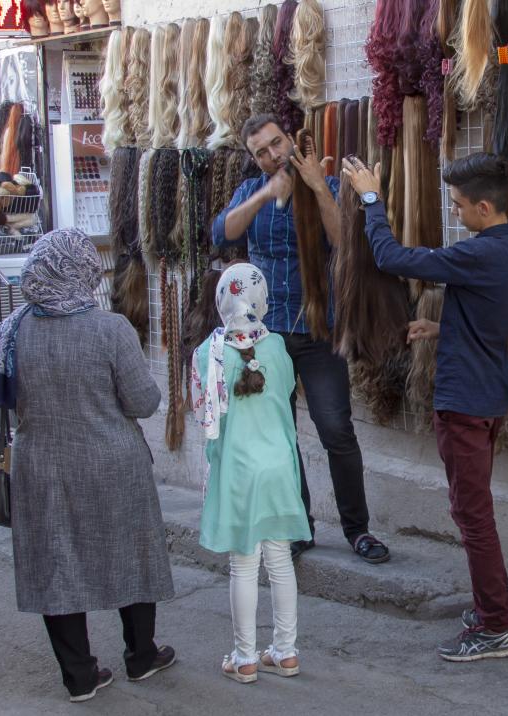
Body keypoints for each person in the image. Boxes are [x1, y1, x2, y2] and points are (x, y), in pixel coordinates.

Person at [341, 152, 508, 662]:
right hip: (490, 396)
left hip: (463, 402)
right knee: (474, 511)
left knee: (472, 516)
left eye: (457, 205)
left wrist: (371, 199)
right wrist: (443, 326)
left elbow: (392, 258)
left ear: (482, 206)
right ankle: (492, 610)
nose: (455, 214)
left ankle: (497, 626)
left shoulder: (478, 255)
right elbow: (505, 325)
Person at [0, 229, 176, 702]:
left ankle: (80, 677)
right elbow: (144, 402)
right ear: (85, 270)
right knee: (130, 550)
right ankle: (141, 655)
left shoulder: (13, 329)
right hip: (112, 463)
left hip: (43, 467)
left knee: (57, 562)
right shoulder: (110, 329)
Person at [212, 113, 390, 565]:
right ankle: (298, 526)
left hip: (317, 331)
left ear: (290, 139)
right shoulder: (250, 191)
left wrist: (312, 185)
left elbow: (342, 241)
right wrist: (265, 196)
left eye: (277, 144)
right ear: (253, 159)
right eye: (262, 152)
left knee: (336, 430)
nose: (273, 156)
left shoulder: (327, 185)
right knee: (281, 437)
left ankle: (358, 530)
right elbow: (222, 233)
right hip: (267, 336)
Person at [190, 263, 312, 683]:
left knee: (243, 566)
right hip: (278, 468)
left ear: (220, 301)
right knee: (280, 562)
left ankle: (243, 657)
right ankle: (286, 652)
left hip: (238, 472)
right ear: (263, 301)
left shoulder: (207, 354)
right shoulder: (278, 347)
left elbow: (202, 416)